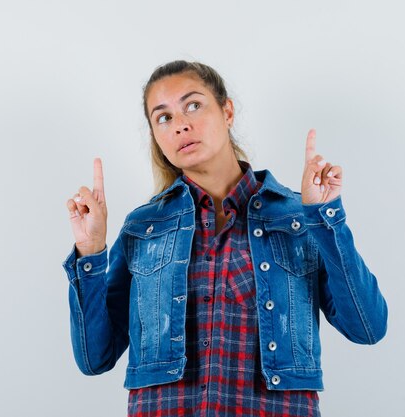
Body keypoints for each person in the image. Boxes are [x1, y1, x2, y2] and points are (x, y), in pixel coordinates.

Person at [62, 60, 387, 417]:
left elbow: (367, 327)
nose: (181, 124)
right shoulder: (143, 227)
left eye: (193, 105)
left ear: (227, 111)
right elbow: (95, 357)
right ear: (156, 135)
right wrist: (90, 252)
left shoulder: (297, 216)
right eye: (164, 117)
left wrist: (324, 218)